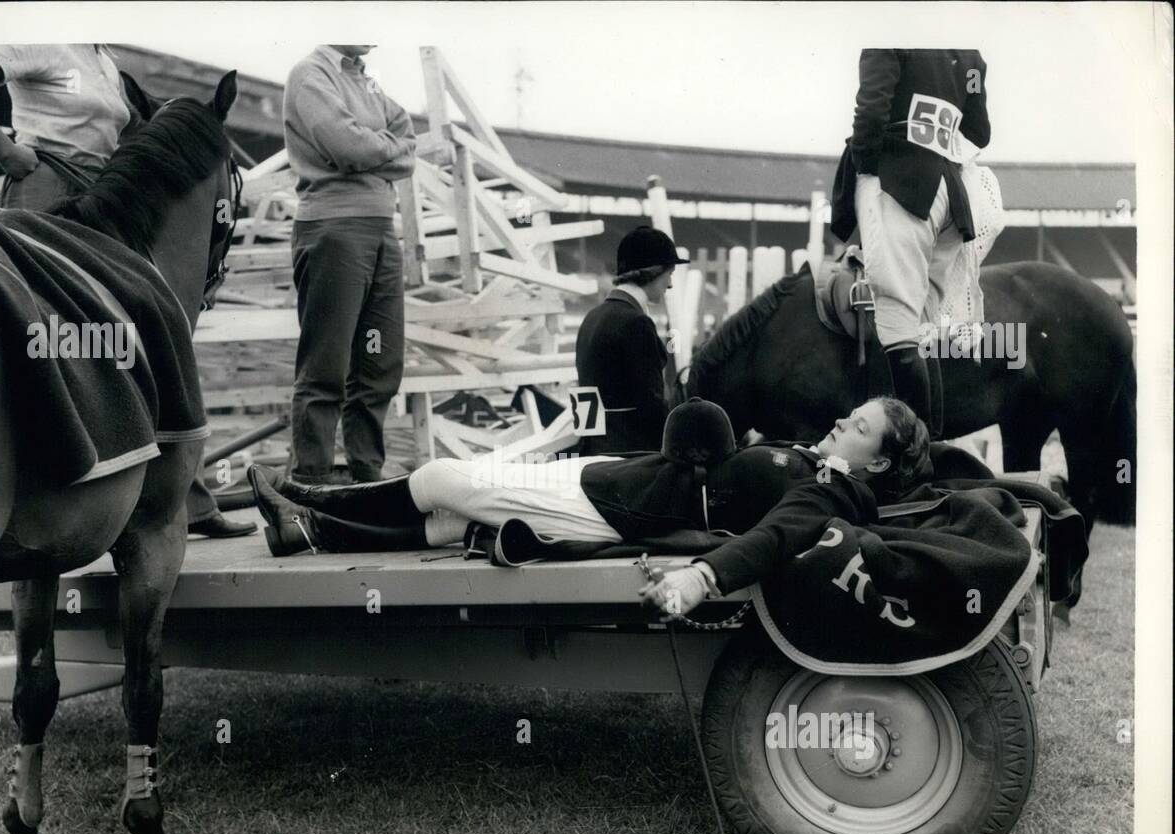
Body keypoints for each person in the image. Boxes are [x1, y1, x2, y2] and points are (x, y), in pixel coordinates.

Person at [0, 44, 254, 538]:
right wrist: (7, 151)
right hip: (47, 192)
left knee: (148, 325)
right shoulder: (41, 39)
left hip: (101, 194)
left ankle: (181, 495)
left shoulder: (102, 58)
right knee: (65, 338)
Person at [246, 397, 932, 616]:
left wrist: (702, 577)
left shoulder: (826, 492)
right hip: (617, 479)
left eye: (861, 426)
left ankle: (311, 504)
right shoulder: (821, 464)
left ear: (875, 461)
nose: (845, 421)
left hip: (611, 512)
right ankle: (308, 528)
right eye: (853, 413)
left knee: (438, 477)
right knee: (451, 519)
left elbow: (775, 538)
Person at [830, 48, 991, 439]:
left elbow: (870, 110)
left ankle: (916, 459)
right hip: (949, 197)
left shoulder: (891, 34)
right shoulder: (968, 52)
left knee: (899, 325)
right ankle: (930, 447)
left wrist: (869, 167)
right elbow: (979, 132)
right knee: (922, 329)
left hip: (899, 181)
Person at [282, 45, 416, 484]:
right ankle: (311, 482)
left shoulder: (366, 81)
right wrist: (384, 149)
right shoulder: (311, 75)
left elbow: (408, 142)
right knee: (327, 363)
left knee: (378, 354)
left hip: (380, 233)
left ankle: (367, 470)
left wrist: (371, 145)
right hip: (335, 230)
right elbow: (347, 147)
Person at [575, 225, 689, 454]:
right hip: (628, 455)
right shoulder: (636, 323)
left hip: (592, 448)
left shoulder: (592, 317)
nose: (670, 284)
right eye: (669, 275)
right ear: (654, 273)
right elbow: (651, 406)